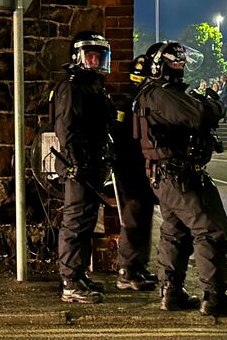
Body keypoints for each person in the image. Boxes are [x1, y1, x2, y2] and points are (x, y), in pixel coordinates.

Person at [134, 42, 227, 316]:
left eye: (182, 62)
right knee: (210, 229)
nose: (180, 67)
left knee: (175, 231)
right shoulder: (163, 94)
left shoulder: (152, 93)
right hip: (179, 173)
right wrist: (214, 102)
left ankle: (171, 292)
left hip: (165, 174)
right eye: (175, 62)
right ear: (160, 65)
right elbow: (199, 115)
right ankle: (215, 298)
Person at [52, 31, 115, 304]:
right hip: (78, 167)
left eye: (99, 56)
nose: (95, 61)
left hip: (92, 165)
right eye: (90, 56)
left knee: (87, 221)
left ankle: (78, 274)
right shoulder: (72, 86)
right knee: (75, 223)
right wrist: (75, 162)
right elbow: (66, 128)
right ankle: (69, 282)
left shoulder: (94, 87)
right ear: (78, 57)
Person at [111, 54, 158, 292]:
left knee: (144, 218)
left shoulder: (140, 99)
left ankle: (138, 266)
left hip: (141, 168)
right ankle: (127, 270)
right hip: (130, 169)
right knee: (133, 218)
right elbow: (121, 140)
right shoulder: (129, 103)